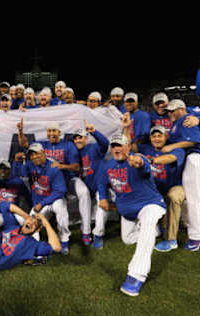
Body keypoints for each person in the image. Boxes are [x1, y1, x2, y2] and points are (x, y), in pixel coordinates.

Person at [97, 134, 166, 296]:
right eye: (114, 146)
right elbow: (102, 182)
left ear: (128, 147)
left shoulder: (136, 159)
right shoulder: (109, 165)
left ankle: (136, 276)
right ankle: (157, 231)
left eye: (120, 145)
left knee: (147, 227)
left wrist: (140, 163)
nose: (116, 149)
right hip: (128, 211)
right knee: (128, 239)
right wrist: (103, 197)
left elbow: (143, 165)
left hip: (150, 204)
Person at [126, 124, 186, 252]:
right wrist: (126, 129)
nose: (157, 139)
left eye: (160, 136)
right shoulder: (145, 148)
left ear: (166, 137)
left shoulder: (175, 149)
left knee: (173, 197)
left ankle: (171, 240)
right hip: (155, 189)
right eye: (154, 136)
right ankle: (149, 226)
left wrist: (150, 161)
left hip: (174, 186)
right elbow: (129, 146)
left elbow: (170, 158)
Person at [163, 99, 200, 252]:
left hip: (194, 158)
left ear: (181, 109)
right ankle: (189, 224)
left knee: (194, 199)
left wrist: (172, 146)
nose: (169, 113)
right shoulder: (178, 121)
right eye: (168, 111)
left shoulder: (186, 120)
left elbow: (194, 141)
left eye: (172, 110)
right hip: (188, 160)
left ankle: (197, 236)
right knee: (187, 197)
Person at [12, 142, 70, 254]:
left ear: (43, 152)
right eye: (32, 155)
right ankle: (29, 246)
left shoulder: (53, 167)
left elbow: (61, 190)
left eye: (36, 154)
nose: (34, 157)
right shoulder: (30, 165)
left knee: (61, 207)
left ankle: (64, 240)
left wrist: (42, 203)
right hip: (39, 203)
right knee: (31, 229)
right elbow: (17, 173)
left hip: (53, 200)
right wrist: (16, 162)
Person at [71, 123, 109, 245]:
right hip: (87, 185)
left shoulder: (93, 147)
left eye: (80, 137)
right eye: (76, 138)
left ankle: (98, 235)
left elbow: (105, 143)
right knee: (85, 196)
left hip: (100, 186)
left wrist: (94, 131)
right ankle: (86, 232)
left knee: (102, 205)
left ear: (86, 138)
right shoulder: (75, 153)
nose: (78, 140)